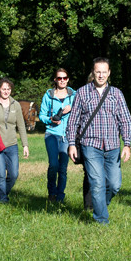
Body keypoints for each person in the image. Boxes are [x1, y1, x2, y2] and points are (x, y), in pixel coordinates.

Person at [66, 57, 131, 224]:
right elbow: (73, 120)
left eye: (104, 72)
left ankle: (100, 204)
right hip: (90, 145)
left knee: (114, 185)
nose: (101, 75)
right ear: (93, 72)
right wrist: (72, 144)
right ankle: (101, 220)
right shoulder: (82, 92)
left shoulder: (117, 93)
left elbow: (125, 120)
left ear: (109, 73)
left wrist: (127, 144)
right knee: (97, 183)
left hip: (112, 146)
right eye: (98, 72)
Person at [0, 77, 30, 203]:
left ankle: (3, 192)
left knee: (14, 174)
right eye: (4, 89)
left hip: (12, 145)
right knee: (1, 175)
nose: (6, 91)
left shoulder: (16, 105)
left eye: (8, 89)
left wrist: (25, 145)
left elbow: (21, 126)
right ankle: (3, 199)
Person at [39, 68, 76, 203]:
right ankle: (51, 193)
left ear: (67, 79)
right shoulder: (48, 95)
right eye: (59, 78)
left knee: (63, 168)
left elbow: (82, 112)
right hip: (52, 134)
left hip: (67, 135)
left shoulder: (74, 95)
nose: (62, 80)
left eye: (64, 78)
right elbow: (41, 115)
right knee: (53, 164)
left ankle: (60, 196)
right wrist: (51, 120)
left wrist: (73, 108)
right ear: (55, 80)